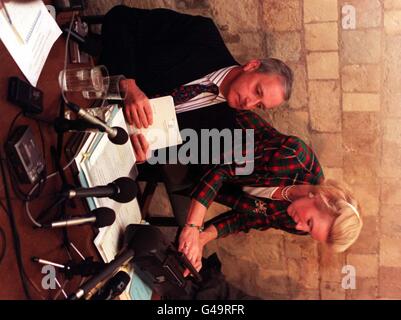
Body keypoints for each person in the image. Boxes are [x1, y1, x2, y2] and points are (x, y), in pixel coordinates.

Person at [99, 5, 293, 162]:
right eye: (257, 91)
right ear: (252, 66)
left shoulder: (221, 132)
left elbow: (160, 160)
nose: (249, 104)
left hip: (106, 145)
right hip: (93, 85)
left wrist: (143, 157)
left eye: (259, 106)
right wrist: (128, 83)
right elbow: (120, 19)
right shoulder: (201, 34)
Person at [176, 110, 363, 274]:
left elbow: (245, 220)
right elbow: (222, 166)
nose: (299, 228)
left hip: (203, 177)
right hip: (207, 132)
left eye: (308, 230)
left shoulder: (295, 222)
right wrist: (193, 226)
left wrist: (201, 239)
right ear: (324, 198)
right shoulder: (294, 156)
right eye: (309, 223)